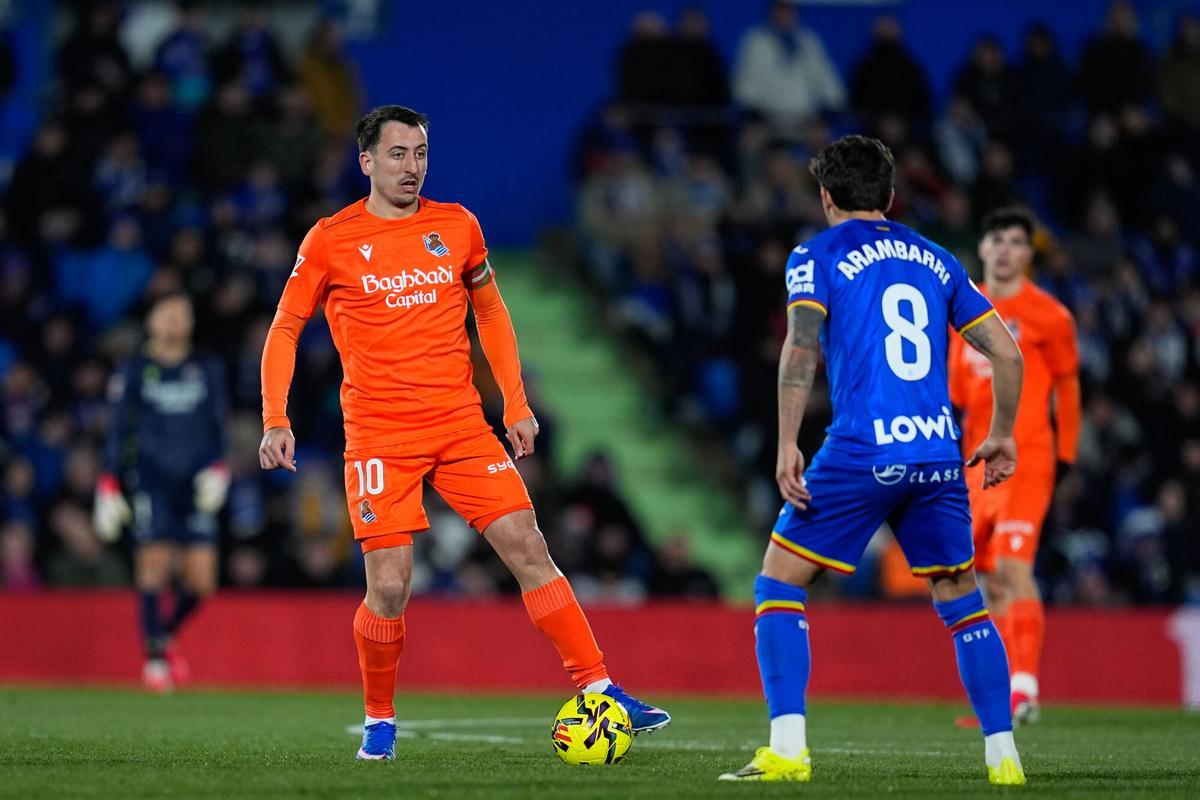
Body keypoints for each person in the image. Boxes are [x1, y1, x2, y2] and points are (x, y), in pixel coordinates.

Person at [258, 105, 670, 761]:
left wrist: (515, 404)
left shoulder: (457, 226)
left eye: (420, 152)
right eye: (397, 154)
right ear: (366, 162)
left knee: (527, 542)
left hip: (459, 424)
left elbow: (493, 313)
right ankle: (379, 721)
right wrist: (275, 418)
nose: (411, 166)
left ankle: (600, 687)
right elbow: (283, 329)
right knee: (390, 585)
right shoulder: (330, 240)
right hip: (379, 435)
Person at [718, 136, 1026, 785]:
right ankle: (1005, 759)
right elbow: (1008, 353)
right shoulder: (938, 258)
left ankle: (788, 749)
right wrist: (1001, 434)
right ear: (889, 196)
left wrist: (785, 443)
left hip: (864, 449)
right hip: (939, 455)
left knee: (778, 581)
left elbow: (801, 347)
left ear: (826, 196)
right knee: (961, 596)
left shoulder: (815, 255)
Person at [949, 207, 1080, 725]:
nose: (1004, 249)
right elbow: (959, 393)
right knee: (986, 578)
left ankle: (1024, 690)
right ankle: (1003, 694)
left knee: (1012, 567)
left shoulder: (1050, 315)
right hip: (974, 465)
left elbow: (1067, 387)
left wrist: (1066, 453)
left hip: (1027, 457)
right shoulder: (960, 313)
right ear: (981, 248)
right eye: (995, 239)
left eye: (1015, 242)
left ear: (1029, 253)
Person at [94, 292, 231, 692]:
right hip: (151, 479)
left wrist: (220, 468)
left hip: (195, 482)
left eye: (181, 313)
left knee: (203, 581)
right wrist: (108, 482)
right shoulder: (135, 370)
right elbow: (118, 428)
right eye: (166, 313)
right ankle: (154, 661)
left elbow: (218, 424)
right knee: (153, 567)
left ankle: (166, 633)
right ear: (151, 321)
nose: (174, 321)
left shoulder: (206, 368)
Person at [731, 0, 845, 131]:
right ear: (772, 12)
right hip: (768, 120)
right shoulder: (756, 42)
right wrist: (756, 113)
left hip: (806, 120)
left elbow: (827, 80)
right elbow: (745, 86)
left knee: (821, 135)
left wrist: (832, 105)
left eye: (789, 10)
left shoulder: (809, 42)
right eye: (781, 10)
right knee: (752, 135)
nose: (785, 15)